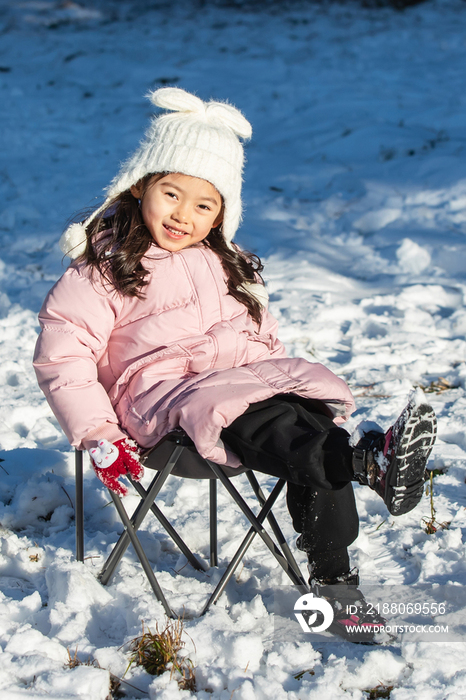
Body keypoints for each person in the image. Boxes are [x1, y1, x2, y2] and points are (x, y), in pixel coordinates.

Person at [33, 88, 437, 642]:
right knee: (275, 425)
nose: (183, 215)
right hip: (163, 403)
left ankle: (337, 581)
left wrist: (279, 380)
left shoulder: (230, 264)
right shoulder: (103, 266)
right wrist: (98, 431)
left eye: (204, 205)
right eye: (171, 193)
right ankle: (366, 462)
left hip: (236, 387)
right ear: (140, 184)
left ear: (224, 211)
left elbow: (261, 339)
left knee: (313, 425)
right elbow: (64, 353)